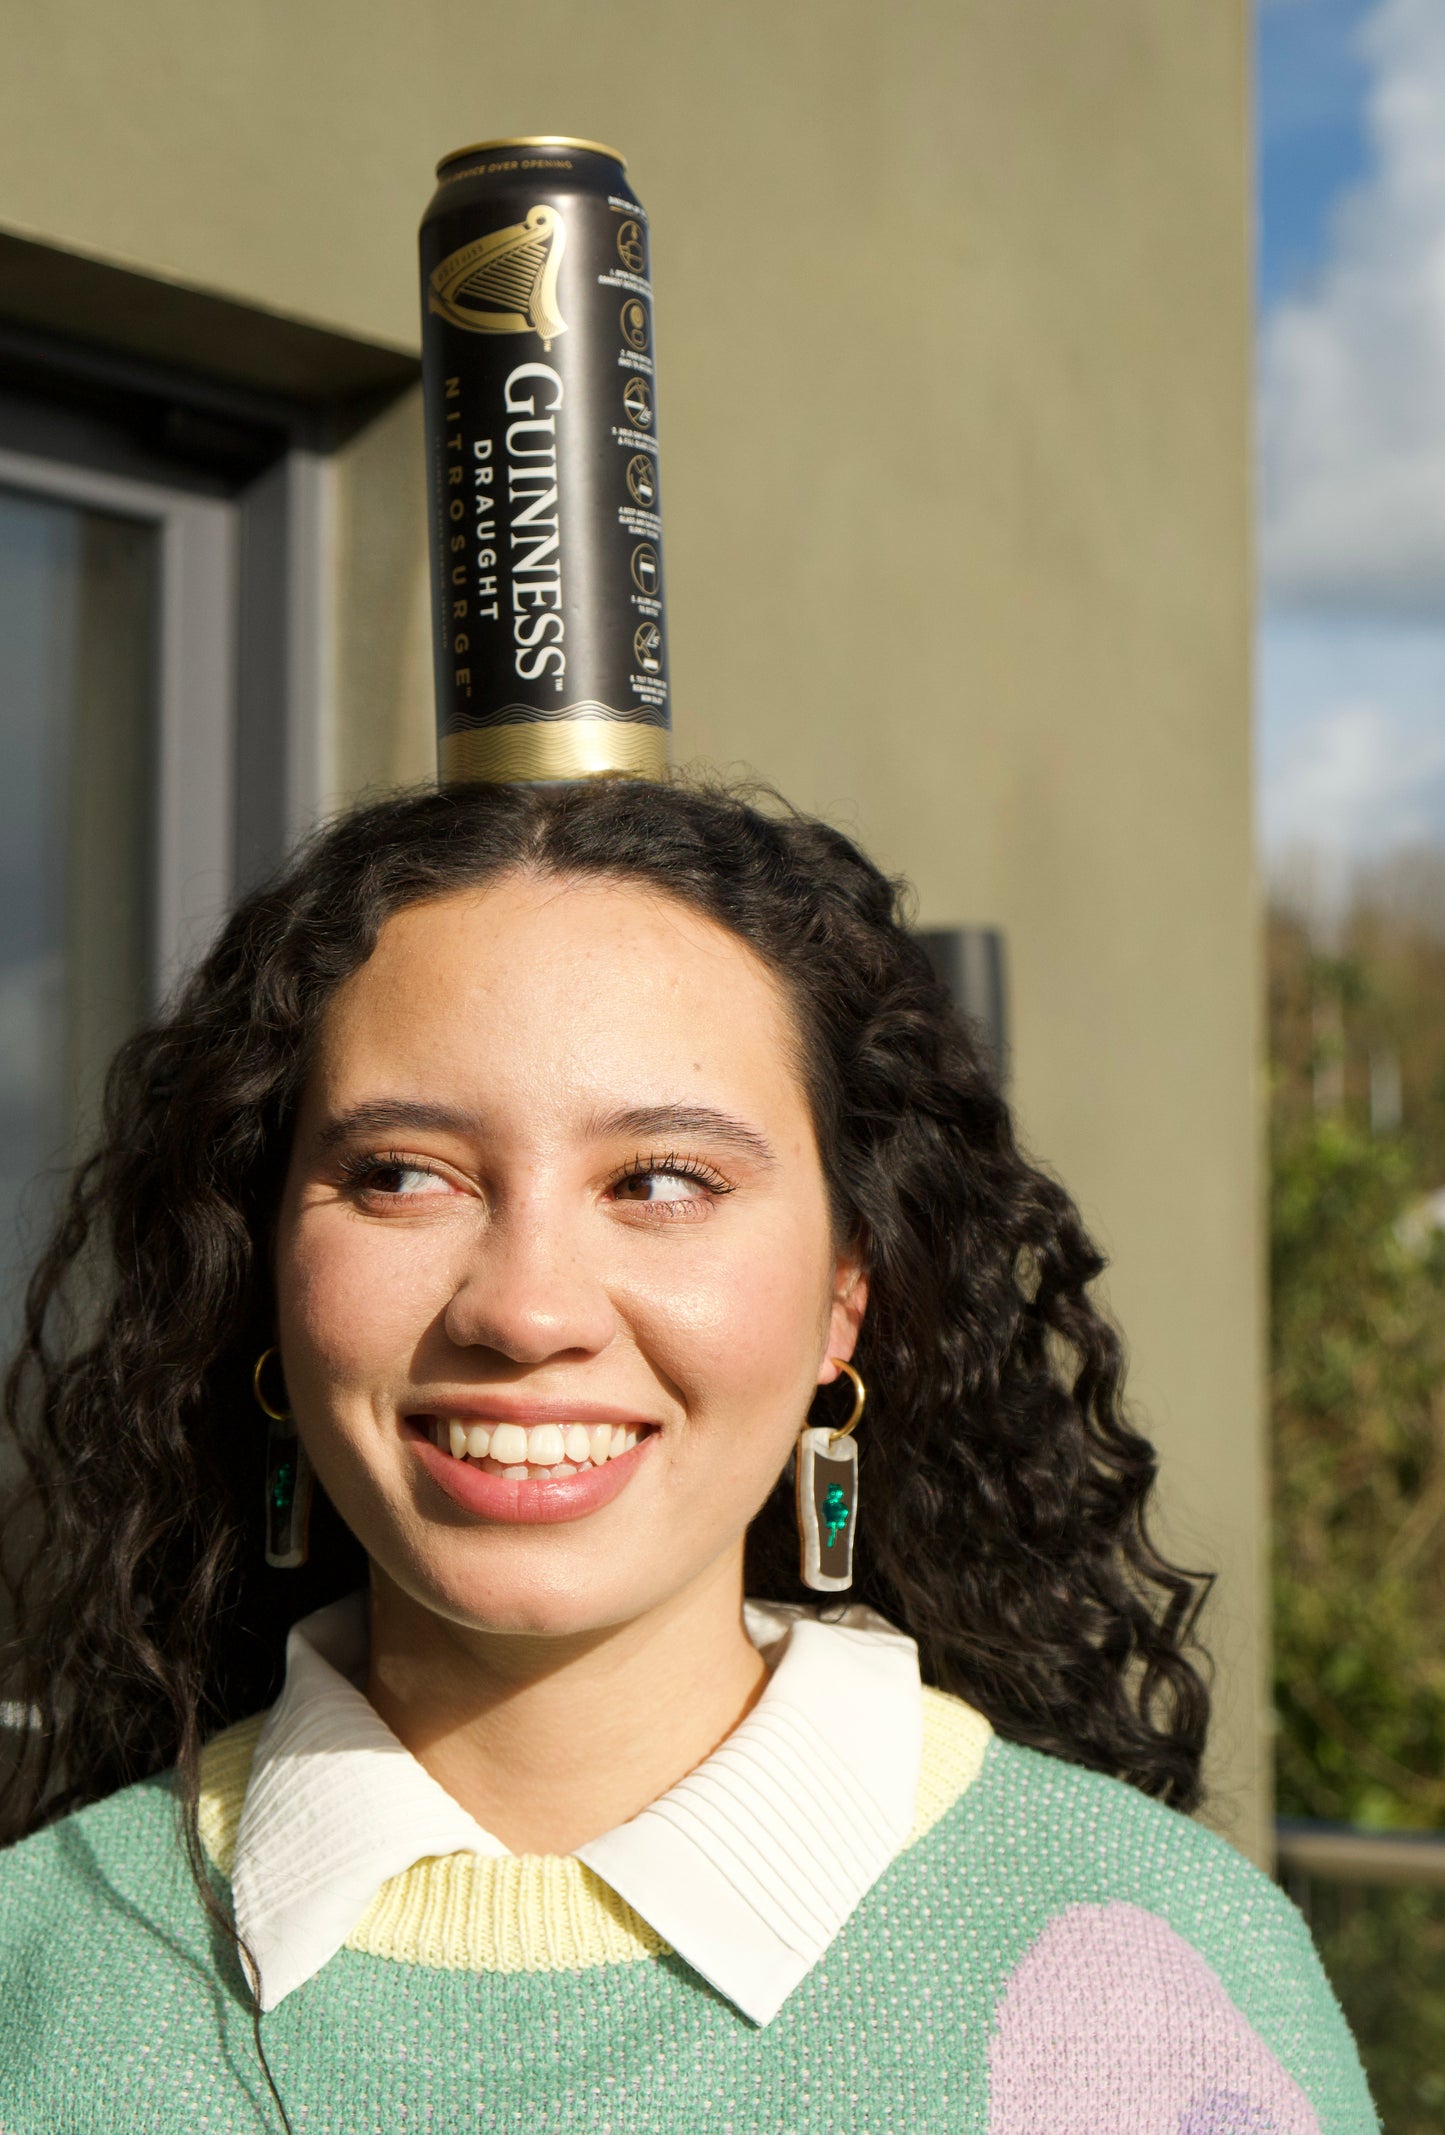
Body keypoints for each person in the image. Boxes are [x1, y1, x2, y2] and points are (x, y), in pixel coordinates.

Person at [0, 778, 1374, 2133]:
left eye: (662, 1181)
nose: (525, 1310)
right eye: (404, 1174)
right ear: (266, 1278)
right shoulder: (40, 1972)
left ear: (848, 1292)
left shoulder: (1155, 1988)